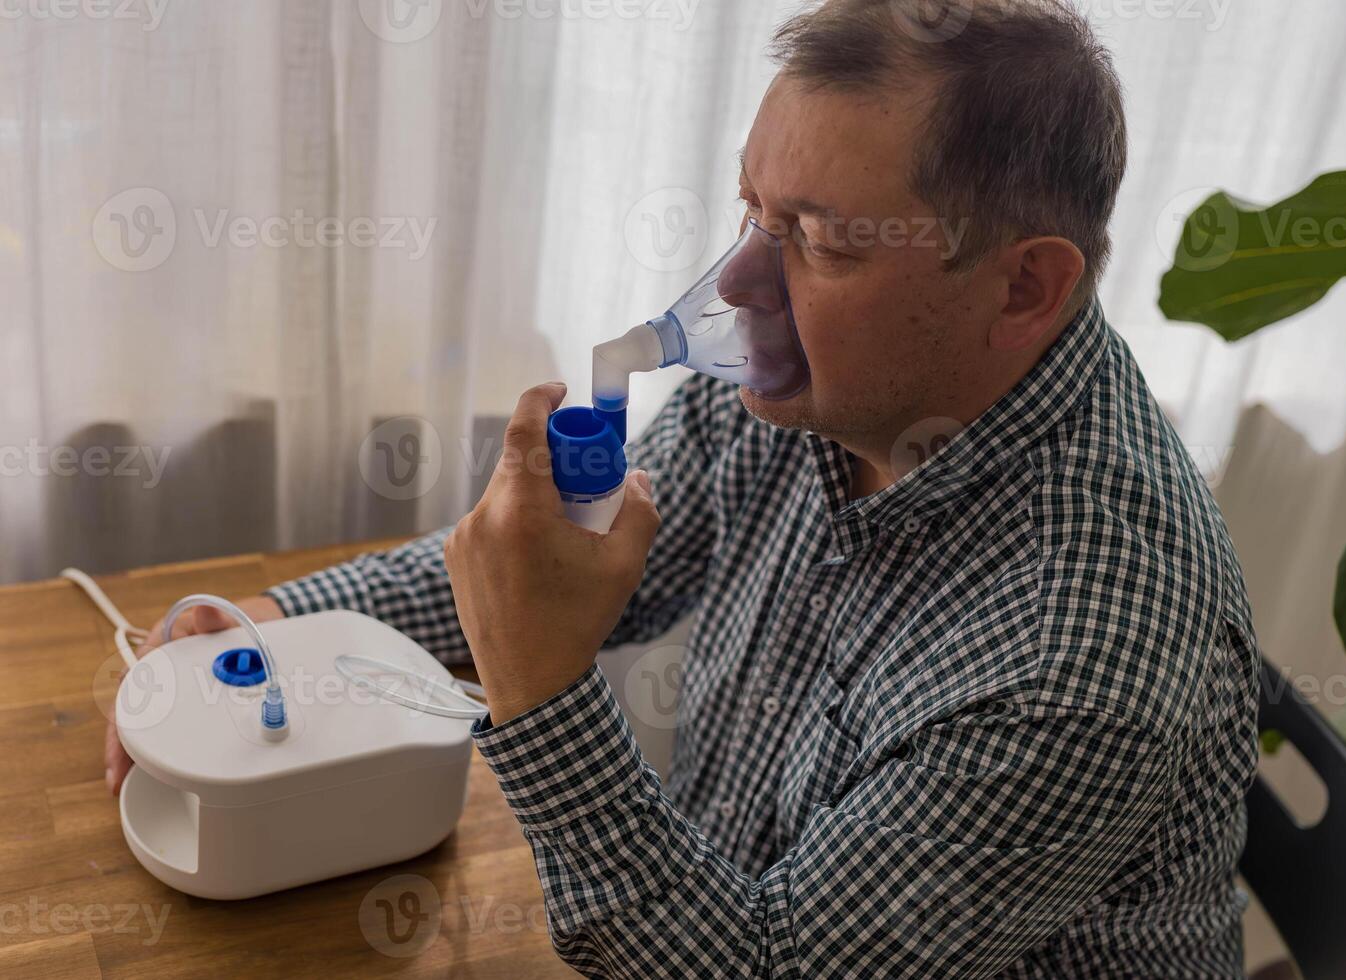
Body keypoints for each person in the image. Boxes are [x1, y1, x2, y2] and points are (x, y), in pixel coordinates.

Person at [106, 0, 1260, 974]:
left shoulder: (1081, 655)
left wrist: (545, 687)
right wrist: (286, 619)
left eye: (821, 240)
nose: (739, 281)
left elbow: (761, 961)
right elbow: (594, 549)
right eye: (753, 209)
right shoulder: (822, 382)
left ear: (1022, 292)